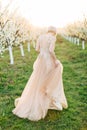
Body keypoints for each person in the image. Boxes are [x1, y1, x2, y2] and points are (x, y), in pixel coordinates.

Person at [12, 26, 68, 121]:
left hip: (40, 59)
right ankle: (47, 100)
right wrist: (55, 61)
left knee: (38, 80)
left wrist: (43, 51)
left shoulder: (41, 36)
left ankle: (38, 100)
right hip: (48, 61)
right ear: (54, 32)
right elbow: (51, 51)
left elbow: (37, 49)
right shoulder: (52, 38)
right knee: (50, 79)